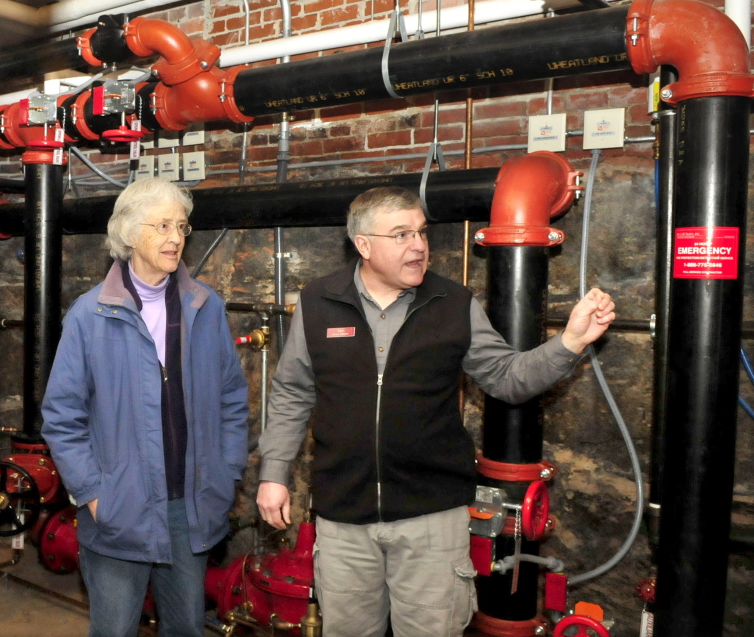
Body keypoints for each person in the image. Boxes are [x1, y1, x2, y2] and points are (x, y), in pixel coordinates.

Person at [256, 186, 616, 637]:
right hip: (343, 519)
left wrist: (571, 342)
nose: (419, 246)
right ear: (363, 245)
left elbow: (507, 377)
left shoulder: (453, 303)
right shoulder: (317, 302)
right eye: (402, 235)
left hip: (432, 521)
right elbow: (292, 391)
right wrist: (274, 473)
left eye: (422, 233)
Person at [41, 177, 250, 637]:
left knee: (186, 628)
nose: (176, 237)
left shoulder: (204, 307)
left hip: (189, 507)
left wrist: (227, 472)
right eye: (162, 226)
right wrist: (94, 494)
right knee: (115, 630)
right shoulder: (89, 315)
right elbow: (62, 417)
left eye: (182, 226)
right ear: (131, 233)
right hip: (119, 509)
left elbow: (232, 398)